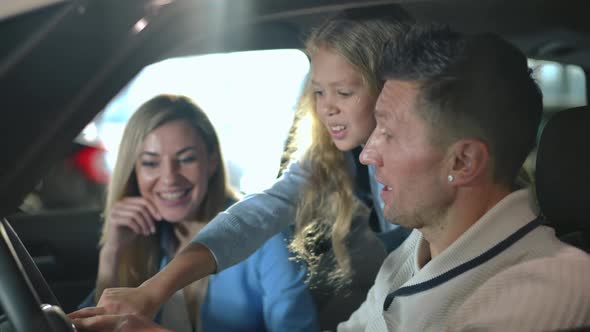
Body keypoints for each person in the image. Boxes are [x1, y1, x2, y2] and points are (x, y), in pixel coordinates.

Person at [69, 6, 416, 327]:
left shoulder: (419, 168)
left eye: (342, 92)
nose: (326, 108)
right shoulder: (328, 156)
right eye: (319, 92)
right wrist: (143, 280)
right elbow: (261, 211)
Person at [338, 25, 590, 331]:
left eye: (388, 133)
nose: (367, 155)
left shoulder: (548, 293)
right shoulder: (421, 243)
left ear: (463, 162)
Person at [76, 94, 319, 332]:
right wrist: (112, 252)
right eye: (151, 163)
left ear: (212, 160)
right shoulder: (143, 240)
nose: (170, 177)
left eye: (186, 159)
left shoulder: (266, 238)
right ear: (133, 171)